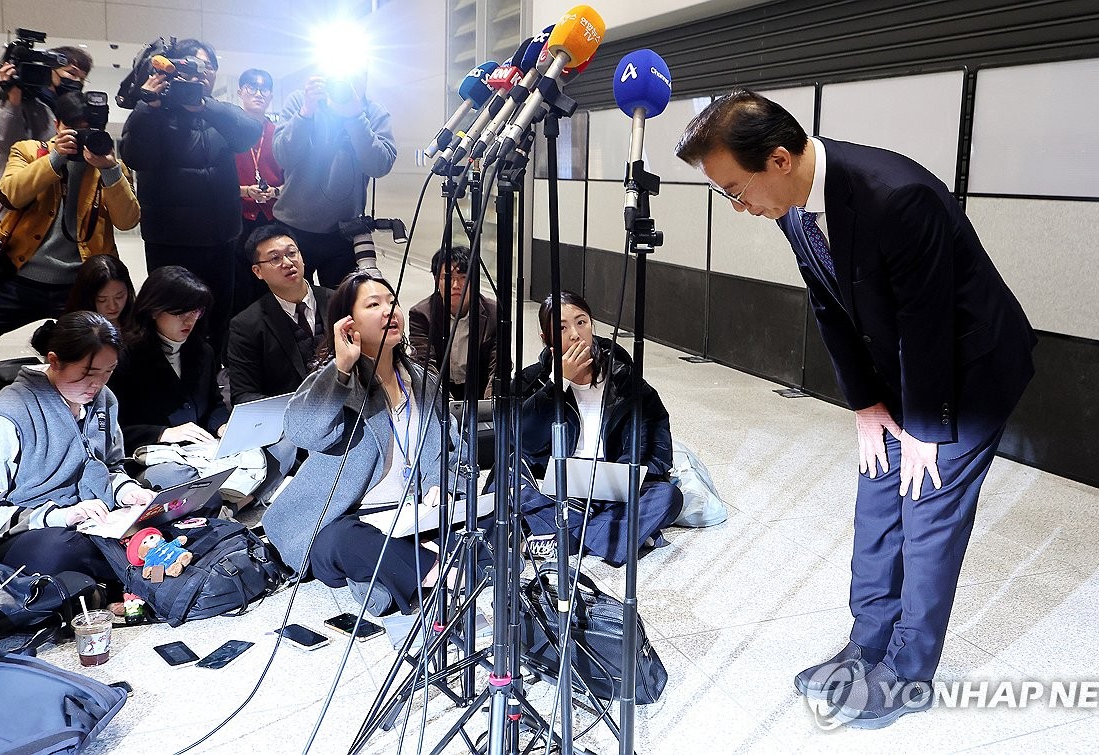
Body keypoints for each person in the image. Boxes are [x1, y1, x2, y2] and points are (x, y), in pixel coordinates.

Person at [676, 89, 1037, 729]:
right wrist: (867, 405)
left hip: (967, 373)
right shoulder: (793, 208)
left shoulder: (897, 197)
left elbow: (927, 322)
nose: (738, 207)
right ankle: (866, 646)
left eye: (735, 190)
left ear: (779, 160)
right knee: (877, 506)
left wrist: (925, 428)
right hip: (900, 372)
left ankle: (906, 675)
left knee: (925, 515)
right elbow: (829, 305)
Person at [262, 270, 464, 617]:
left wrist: (439, 483)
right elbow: (304, 432)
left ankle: (401, 570)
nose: (389, 311)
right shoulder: (336, 382)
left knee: (485, 512)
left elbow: (454, 445)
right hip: (347, 518)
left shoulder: (423, 380)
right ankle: (432, 569)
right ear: (348, 323)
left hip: (412, 512)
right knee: (343, 541)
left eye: (392, 302)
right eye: (373, 305)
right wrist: (341, 367)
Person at [0, 312, 154, 583]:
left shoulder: (104, 400)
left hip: (94, 520)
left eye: (108, 371)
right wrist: (59, 516)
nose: (98, 384)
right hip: (28, 532)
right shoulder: (7, 415)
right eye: (88, 373)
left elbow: (111, 466)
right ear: (54, 361)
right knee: (59, 552)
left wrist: (127, 492)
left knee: (171, 498)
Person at [515, 292, 682, 567]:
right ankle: (614, 534)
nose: (575, 334)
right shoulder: (532, 381)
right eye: (561, 328)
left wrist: (614, 479)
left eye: (581, 322)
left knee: (667, 497)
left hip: (611, 488)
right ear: (547, 338)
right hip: (556, 486)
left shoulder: (626, 383)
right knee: (509, 478)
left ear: (592, 325)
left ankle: (564, 539)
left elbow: (658, 449)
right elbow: (523, 440)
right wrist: (558, 384)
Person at [119, 38, 262, 356]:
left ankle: (212, 374)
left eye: (208, 67)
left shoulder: (218, 113)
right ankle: (169, 375)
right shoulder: (153, 111)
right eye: (192, 66)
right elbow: (137, 157)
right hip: (171, 241)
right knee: (170, 316)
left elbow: (250, 133)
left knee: (218, 316)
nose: (201, 73)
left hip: (221, 240)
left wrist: (204, 106)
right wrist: (148, 106)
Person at [0, 91, 140, 359]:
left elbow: (128, 221)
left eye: (89, 131)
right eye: (73, 129)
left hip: (80, 284)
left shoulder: (112, 168)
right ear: (57, 125)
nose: (81, 137)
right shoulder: (29, 151)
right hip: (20, 275)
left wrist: (109, 170)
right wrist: (54, 158)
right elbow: (11, 195)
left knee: (102, 347)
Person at [271, 73, 397, 287]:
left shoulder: (373, 112)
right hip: (293, 226)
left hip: (345, 231)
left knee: (341, 302)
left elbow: (379, 166)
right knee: (291, 300)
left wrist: (355, 117)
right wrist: (306, 112)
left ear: (365, 77)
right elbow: (283, 157)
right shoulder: (302, 101)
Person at [106, 266, 229, 455]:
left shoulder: (203, 352)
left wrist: (222, 425)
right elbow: (112, 427)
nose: (190, 320)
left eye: (196, 311)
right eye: (181, 312)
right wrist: (163, 433)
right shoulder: (123, 357)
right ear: (154, 311)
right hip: (152, 454)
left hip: (201, 451)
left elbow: (214, 403)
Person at [226, 225, 331, 405]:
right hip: (286, 416)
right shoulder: (245, 325)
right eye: (275, 258)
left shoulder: (340, 301)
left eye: (292, 253)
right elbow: (244, 395)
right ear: (258, 272)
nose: (288, 263)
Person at [408, 244, 498, 400]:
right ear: (437, 280)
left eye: (464, 277)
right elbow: (424, 363)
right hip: (439, 388)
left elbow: (498, 364)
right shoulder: (421, 315)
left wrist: (489, 401)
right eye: (448, 277)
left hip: (479, 388)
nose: (456, 285)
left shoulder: (494, 313)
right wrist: (444, 402)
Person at [0, 44, 92, 173]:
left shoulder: (72, 109)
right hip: (24, 181)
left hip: (62, 182)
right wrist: (13, 99)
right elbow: (5, 144)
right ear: (49, 71)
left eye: (82, 78)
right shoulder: (25, 102)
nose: (77, 81)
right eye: (71, 73)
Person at [233, 68, 283, 314]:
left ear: (271, 95)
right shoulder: (229, 131)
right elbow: (216, 181)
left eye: (264, 89)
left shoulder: (279, 134)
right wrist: (244, 191)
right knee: (240, 282)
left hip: (273, 217)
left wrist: (275, 192)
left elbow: (294, 178)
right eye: (251, 87)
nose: (258, 93)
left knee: (272, 281)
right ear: (240, 92)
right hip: (238, 218)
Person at [63, 254, 137, 333]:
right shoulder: (72, 332)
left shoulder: (139, 323)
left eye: (119, 296)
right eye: (102, 300)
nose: (112, 307)